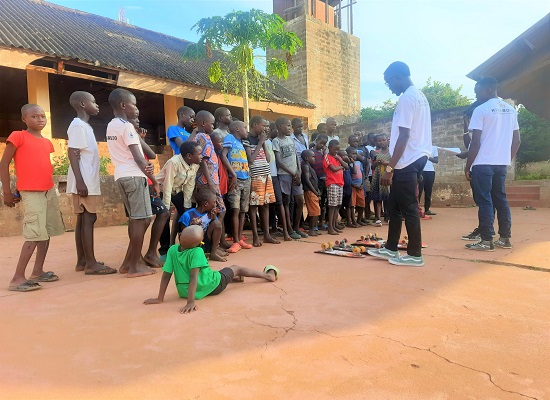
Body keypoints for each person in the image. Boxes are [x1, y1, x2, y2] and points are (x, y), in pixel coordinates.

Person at [367, 62, 432, 267]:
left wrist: (390, 168)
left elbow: (404, 135)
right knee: (393, 205)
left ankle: (414, 255)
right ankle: (391, 248)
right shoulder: (419, 96)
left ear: (397, 77)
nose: (389, 87)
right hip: (414, 157)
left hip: (407, 160)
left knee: (409, 207)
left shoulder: (407, 98)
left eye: (389, 83)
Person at [0, 104, 65, 291]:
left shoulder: (47, 142)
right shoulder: (18, 136)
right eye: (34, 116)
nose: (40, 119)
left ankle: (38, 271)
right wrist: (7, 192)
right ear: (24, 119)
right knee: (34, 234)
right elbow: (4, 164)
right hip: (31, 192)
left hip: (48, 191)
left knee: (45, 232)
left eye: (43, 116)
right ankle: (17, 278)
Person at [143, 225, 279, 313]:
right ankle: (268, 276)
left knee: (217, 273)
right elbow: (193, 276)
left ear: (180, 237)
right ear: (199, 243)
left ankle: (233, 278)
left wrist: (160, 298)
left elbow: (166, 275)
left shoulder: (172, 250)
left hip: (185, 291)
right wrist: (190, 302)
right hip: (211, 287)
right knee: (235, 267)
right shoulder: (197, 252)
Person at [106, 88, 158, 277]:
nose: (136, 109)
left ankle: (128, 262)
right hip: (135, 176)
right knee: (142, 219)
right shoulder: (126, 126)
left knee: (139, 219)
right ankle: (135, 266)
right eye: (133, 105)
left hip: (121, 175)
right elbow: (139, 157)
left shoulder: (111, 125)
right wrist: (153, 179)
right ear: (123, 105)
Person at [464, 77, 521, 251]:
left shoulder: (481, 110)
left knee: (485, 201)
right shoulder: (511, 110)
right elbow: (517, 141)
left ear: (488, 90)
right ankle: (504, 238)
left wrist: (468, 166)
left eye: (477, 91)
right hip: (500, 164)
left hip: (482, 164)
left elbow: (475, 143)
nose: (476, 95)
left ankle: (486, 240)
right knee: (501, 200)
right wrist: (506, 159)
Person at [66, 92, 115, 275]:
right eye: (93, 102)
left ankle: (83, 260)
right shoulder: (78, 125)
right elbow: (72, 152)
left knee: (83, 218)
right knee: (89, 218)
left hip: (85, 178)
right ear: (82, 104)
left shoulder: (83, 125)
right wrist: (80, 181)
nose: (97, 105)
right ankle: (91, 263)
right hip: (84, 179)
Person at [130, 116, 170, 268]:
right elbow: (150, 157)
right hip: (140, 181)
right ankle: (145, 254)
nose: (138, 120)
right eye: (134, 116)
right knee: (149, 217)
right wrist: (154, 181)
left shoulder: (135, 138)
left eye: (139, 116)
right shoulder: (129, 136)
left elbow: (147, 158)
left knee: (156, 215)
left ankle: (143, 255)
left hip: (145, 180)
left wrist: (142, 139)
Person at [156, 140, 203, 259]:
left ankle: (185, 246)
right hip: (162, 190)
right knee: (164, 218)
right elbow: (167, 186)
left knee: (187, 215)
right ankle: (165, 251)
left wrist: (186, 207)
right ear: (189, 156)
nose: (201, 156)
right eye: (199, 154)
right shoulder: (174, 163)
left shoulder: (195, 164)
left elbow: (189, 185)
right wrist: (166, 208)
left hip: (177, 191)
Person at [246, 116, 279, 247]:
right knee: (254, 207)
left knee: (266, 205)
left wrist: (263, 142)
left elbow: (268, 157)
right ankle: (255, 236)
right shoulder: (247, 138)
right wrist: (260, 142)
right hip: (256, 175)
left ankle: (267, 235)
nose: (266, 128)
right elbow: (251, 159)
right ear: (254, 125)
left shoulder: (264, 140)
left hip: (266, 174)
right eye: (263, 125)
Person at [221, 120, 252, 253]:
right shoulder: (230, 138)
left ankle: (239, 239)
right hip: (236, 180)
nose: (247, 130)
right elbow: (223, 155)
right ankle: (234, 240)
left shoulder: (241, 143)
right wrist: (233, 174)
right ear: (237, 129)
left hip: (246, 179)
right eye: (245, 128)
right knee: (235, 209)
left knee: (243, 210)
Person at [272, 116, 306, 240]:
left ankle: (296, 227)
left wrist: (299, 171)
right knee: (286, 202)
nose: (289, 128)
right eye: (287, 125)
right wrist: (292, 173)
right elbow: (279, 161)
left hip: (295, 174)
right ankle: (289, 229)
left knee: (299, 200)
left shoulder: (290, 139)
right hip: (284, 175)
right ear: (280, 126)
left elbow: (296, 157)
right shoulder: (276, 141)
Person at [178, 189, 227, 262]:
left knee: (217, 223)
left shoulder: (210, 213)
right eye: (214, 202)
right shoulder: (188, 215)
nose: (215, 205)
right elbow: (183, 234)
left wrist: (213, 218)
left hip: (204, 240)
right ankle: (192, 254)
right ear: (206, 204)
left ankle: (213, 252)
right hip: (192, 242)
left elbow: (217, 227)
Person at [192, 110, 226, 215]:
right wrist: (210, 183)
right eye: (211, 124)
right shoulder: (201, 137)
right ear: (203, 123)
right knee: (220, 210)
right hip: (206, 181)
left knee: (215, 211)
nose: (213, 126)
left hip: (210, 180)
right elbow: (203, 161)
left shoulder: (206, 136)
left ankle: (213, 231)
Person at [266, 121, 291, 241]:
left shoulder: (270, 142)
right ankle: (269, 231)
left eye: (268, 127)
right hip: (265, 175)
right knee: (266, 205)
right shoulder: (273, 142)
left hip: (274, 175)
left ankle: (286, 232)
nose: (267, 130)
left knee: (280, 203)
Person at [210, 130, 232, 250]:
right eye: (220, 142)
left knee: (221, 213)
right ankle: (215, 243)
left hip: (222, 190)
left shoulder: (218, 156)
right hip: (215, 191)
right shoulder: (212, 157)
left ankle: (222, 241)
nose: (222, 144)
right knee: (219, 214)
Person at [323, 139, 347, 235]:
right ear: (329, 148)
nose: (336, 151)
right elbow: (333, 168)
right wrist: (341, 166)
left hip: (340, 183)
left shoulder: (338, 157)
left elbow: (347, 166)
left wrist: (340, 159)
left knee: (337, 206)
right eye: (334, 149)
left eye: (337, 150)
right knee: (332, 206)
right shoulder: (327, 157)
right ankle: (330, 227)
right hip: (332, 183)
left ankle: (334, 225)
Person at [370, 134, 391, 227]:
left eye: (383, 140)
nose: (381, 142)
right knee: (377, 198)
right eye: (379, 141)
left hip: (388, 176)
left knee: (388, 198)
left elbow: (395, 164)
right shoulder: (376, 153)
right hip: (377, 177)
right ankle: (377, 218)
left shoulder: (392, 152)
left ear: (388, 140)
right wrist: (376, 163)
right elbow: (372, 166)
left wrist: (386, 163)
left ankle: (388, 216)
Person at [301, 150, 321, 236]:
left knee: (315, 211)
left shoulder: (309, 166)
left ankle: (313, 228)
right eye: (312, 157)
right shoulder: (305, 167)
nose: (314, 158)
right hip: (310, 191)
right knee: (315, 211)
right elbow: (307, 180)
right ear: (306, 158)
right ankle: (311, 230)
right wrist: (315, 191)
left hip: (313, 191)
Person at [311, 134, 328, 230]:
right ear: (316, 141)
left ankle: (321, 222)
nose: (322, 145)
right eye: (321, 143)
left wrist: (324, 154)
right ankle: (314, 224)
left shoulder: (323, 154)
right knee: (316, 202)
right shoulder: (312, 153)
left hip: (324, 179)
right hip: (316, 181)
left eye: (324, 144)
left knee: (323, 203)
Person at [347, 146, 366, 227]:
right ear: (348, 155)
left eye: (355, 154)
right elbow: (349, 177)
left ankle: (359, 219)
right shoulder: (348, 165)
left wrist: (362, 184)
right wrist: (354, 185)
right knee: (352, 205)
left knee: (361, 204)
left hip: (360, 187)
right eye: (353, 154)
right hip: (353, 187)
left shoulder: (359, 163)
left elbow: (362, 173)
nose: (354, 156)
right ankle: (353, 221)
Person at [418, 145, 438, 216]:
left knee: (428, 191)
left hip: (430, 171)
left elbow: (436, 160)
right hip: (421, 171)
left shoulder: (434, 148)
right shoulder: (419, 146)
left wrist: (427, 156)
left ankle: (427, 209)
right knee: (419, 191)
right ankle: (417, 210)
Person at [338, 149, 354, 228]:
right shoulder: (339, 165)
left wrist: (352, 163)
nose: (345, 157)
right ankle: (340, 219)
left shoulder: (348, 166)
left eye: (346, 155)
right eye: (343, 155)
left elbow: (354, 172)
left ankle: (349, 222)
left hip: (348, 188)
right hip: (342, 188)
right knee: (339, 205)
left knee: (348, 206)